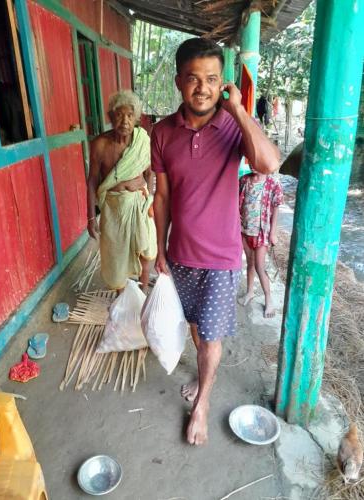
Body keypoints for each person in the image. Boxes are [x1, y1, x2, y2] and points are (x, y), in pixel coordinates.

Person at [151, 38, 280, 446]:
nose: (202, 87)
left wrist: (239, 110)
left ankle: (203, 402)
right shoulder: (161, 133)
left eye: (211, 79)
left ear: (222, 83)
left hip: (221, 259)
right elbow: (163, 197)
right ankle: (202, 380)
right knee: (195, 327)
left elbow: (269, 164)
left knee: (210, 337)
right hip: (180, 256)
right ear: (178, 82)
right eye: (193, 79)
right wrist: (158, 249)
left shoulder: (233, 126)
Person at [87, 90, 156, 292]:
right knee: (116, 255)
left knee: (145, 248)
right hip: (113, 208)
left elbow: (150, 173)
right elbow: (92, 180)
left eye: (130, 115)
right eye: (119, 115)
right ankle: (122, 297)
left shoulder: (142, 141)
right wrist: (91, 217)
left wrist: (149, 200)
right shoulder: (100, 145)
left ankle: (142, 292)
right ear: (110, 117)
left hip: (138, 204)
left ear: (136, 118)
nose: (125, 121)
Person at [238, 170, 283, 317]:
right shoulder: (245, 180)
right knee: (250, 263)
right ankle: (250, 292)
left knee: (259, 266)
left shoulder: (273, 182)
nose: (253, 164)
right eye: (250, 160)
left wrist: (273, 232)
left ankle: (268, 299)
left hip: (261, 232)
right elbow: (237, 202)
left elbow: (276, 208)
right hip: (244, 229)